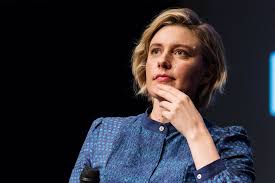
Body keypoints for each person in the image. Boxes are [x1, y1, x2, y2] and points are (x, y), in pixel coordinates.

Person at [69, 8, 255, 183]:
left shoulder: (227, 142)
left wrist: (195, 133)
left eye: (180, 52)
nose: (163, 61)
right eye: (155, 51)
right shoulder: (105, 131)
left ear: (207, 73)